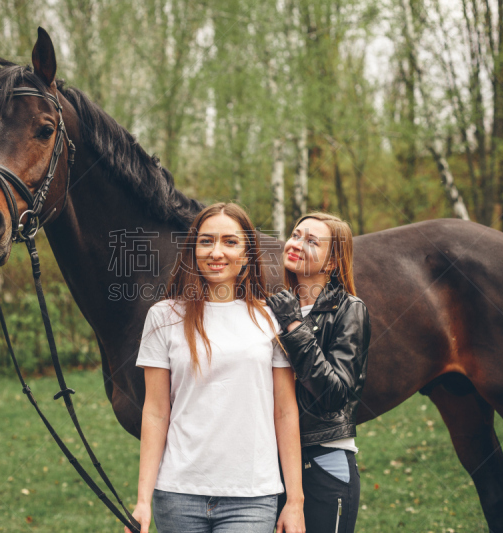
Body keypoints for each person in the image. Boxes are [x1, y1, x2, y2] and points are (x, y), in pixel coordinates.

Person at [129, 203, 306, 533]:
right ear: (193, 250)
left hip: (252, 496)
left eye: (230, 241)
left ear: (247, 252)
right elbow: (155, 411)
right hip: (179, 494)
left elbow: (284, 411)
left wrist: (295, 502)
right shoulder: (163, 316)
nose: (217, 252)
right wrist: (142, 499)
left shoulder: (271, 319)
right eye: (207, 241)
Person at [267, 212, 371, 533]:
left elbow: (333, 394)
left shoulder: (350, 309)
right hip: (272, 462)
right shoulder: (271, 309)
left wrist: (294, 326)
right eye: (296, 235)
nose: (297, 243)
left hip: (324, 460)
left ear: (331, 263)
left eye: (312, 241)